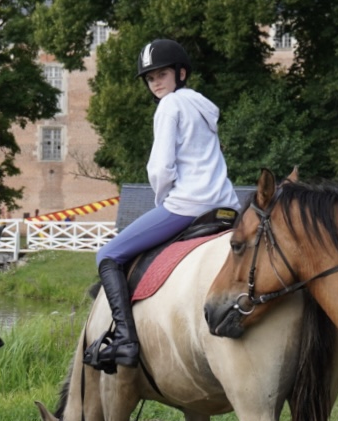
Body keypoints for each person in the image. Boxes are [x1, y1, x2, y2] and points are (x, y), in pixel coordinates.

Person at [86, 38, 240, 372]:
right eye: (150, 77)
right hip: (227, 207)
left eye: (162, 74)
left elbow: (160, 169)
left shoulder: (169, 106)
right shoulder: (203, 107)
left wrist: (163, 201)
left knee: (107, 255)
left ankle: (125, 338)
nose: (156, 82)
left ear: (180, 73)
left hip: (188, 205)